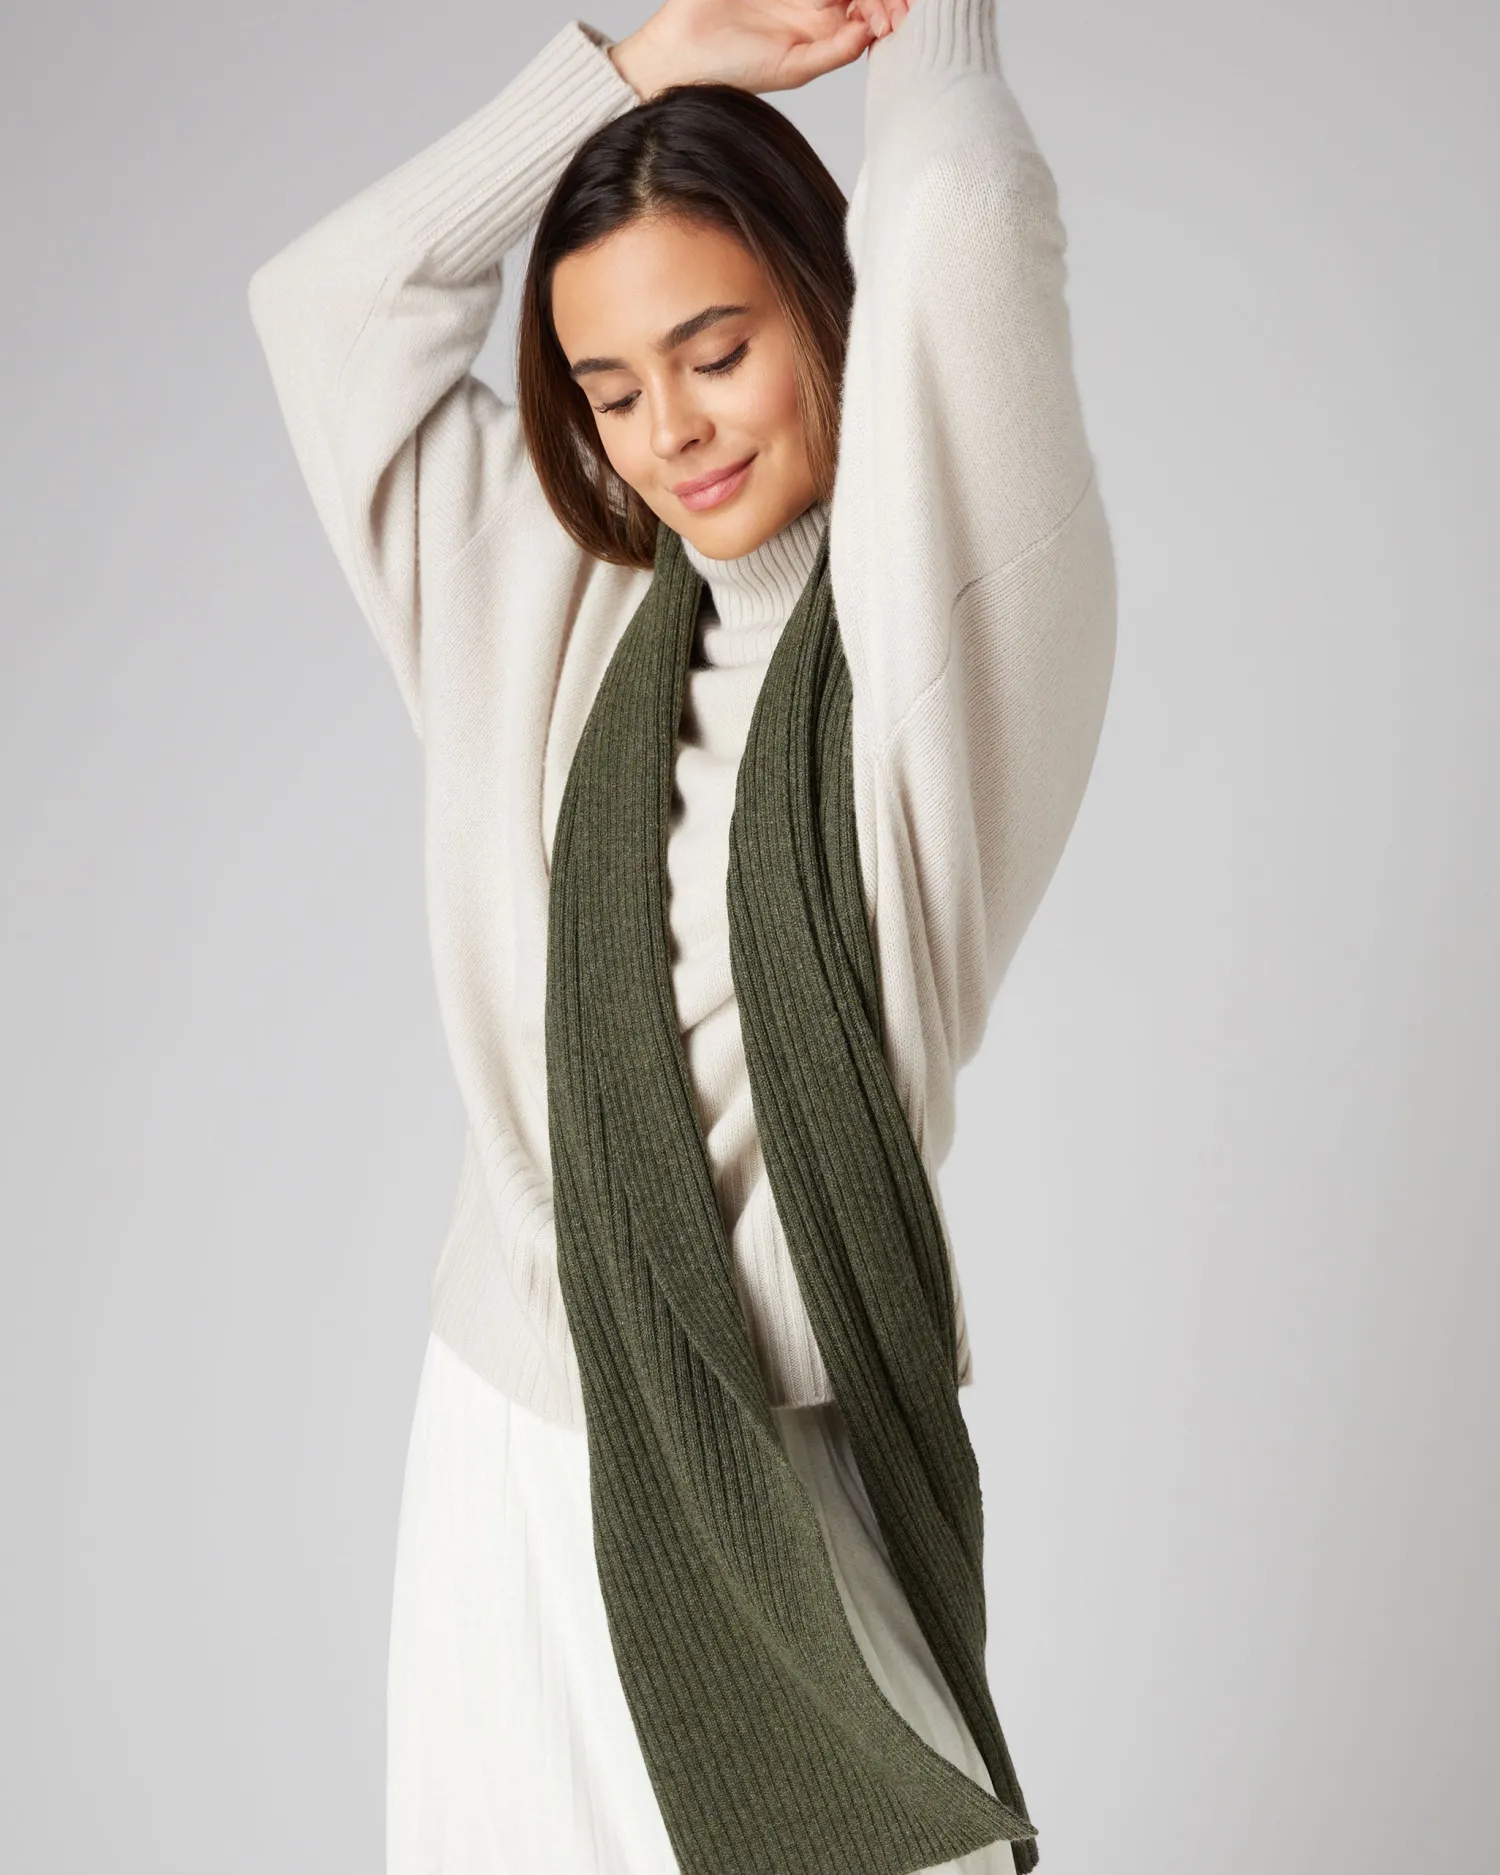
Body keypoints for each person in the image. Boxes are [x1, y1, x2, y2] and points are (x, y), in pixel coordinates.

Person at [247, 0, 1116, 1869]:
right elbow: (327, 310)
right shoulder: (541, 600)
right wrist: (631, 73)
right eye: (612, 388)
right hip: (510, 1454)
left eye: (717, 350)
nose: (673, 432)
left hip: (775, 1476)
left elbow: (959, 224)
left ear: (825, 302)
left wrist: (924, 23)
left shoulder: (943, 658)